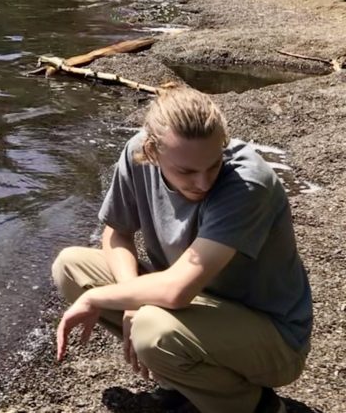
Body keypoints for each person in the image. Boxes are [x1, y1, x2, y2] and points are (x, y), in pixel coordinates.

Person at [52, 86, 312, 413]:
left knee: (150, 328)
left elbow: (177, 291)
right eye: (187, 171)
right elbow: (117, 234)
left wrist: (104, 299)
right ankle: (186, 383)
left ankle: (257, 405)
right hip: (199, 309)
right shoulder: (137, 155)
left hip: (273, 338)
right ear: (152, 151)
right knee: (71, 267)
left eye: (213, 165)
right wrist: (130, 298)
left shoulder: (248, 184)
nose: (203, 183)